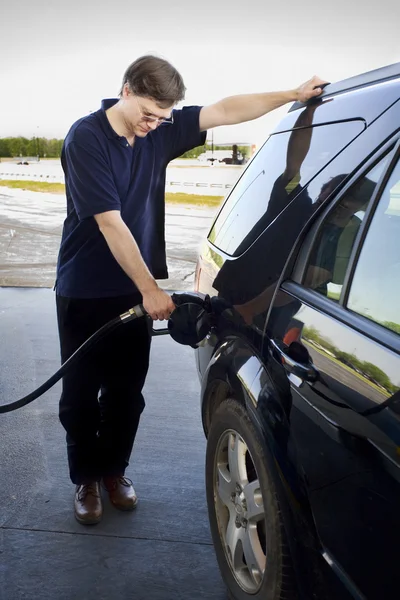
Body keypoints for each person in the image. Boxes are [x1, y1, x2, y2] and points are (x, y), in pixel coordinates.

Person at [55, 53, 327, 525]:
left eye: (163, 118)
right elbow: (111, 224)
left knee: (125, 392)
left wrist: (292, 94)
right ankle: (86, 479)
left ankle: (115, 472)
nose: (153, 125)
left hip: (132, 292)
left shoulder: (158, 131)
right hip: (84, 287)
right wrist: (150, 289)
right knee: (79, 393)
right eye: (147, 114)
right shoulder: (86, 138)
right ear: (126, 90)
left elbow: (224, 110)